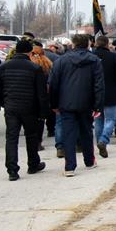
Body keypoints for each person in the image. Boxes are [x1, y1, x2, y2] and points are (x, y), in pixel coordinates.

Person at [49, 34, 104, 177]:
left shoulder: (61, 61)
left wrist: (54, 104)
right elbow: (98, 85)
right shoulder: (94, 61)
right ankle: (89, 161)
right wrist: (98, 105)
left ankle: (69, 166)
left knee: (69, 134)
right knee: (86, 131)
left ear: (73, 44)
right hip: (87, 102)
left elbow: (53, 84)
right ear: (88, 45)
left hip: (66, 103)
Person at [0, 40, 50, 181]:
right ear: (29, 51)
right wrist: (43, 112)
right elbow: (41, 93)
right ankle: (33, 164)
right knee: (31, 136)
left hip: (11, 107)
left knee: (11, 138)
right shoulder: (34, 68)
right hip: (29, 107)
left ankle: (12, 170)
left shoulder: (3, 67)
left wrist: (4, 103)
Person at [92, 36, 116, 158]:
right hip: (110, 90)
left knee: (98, 119)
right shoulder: (113, 57)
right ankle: (103, 140)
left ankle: (99, 141)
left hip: (95, 93)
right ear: (107, 44)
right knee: (110, 119)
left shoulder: (91, 57)